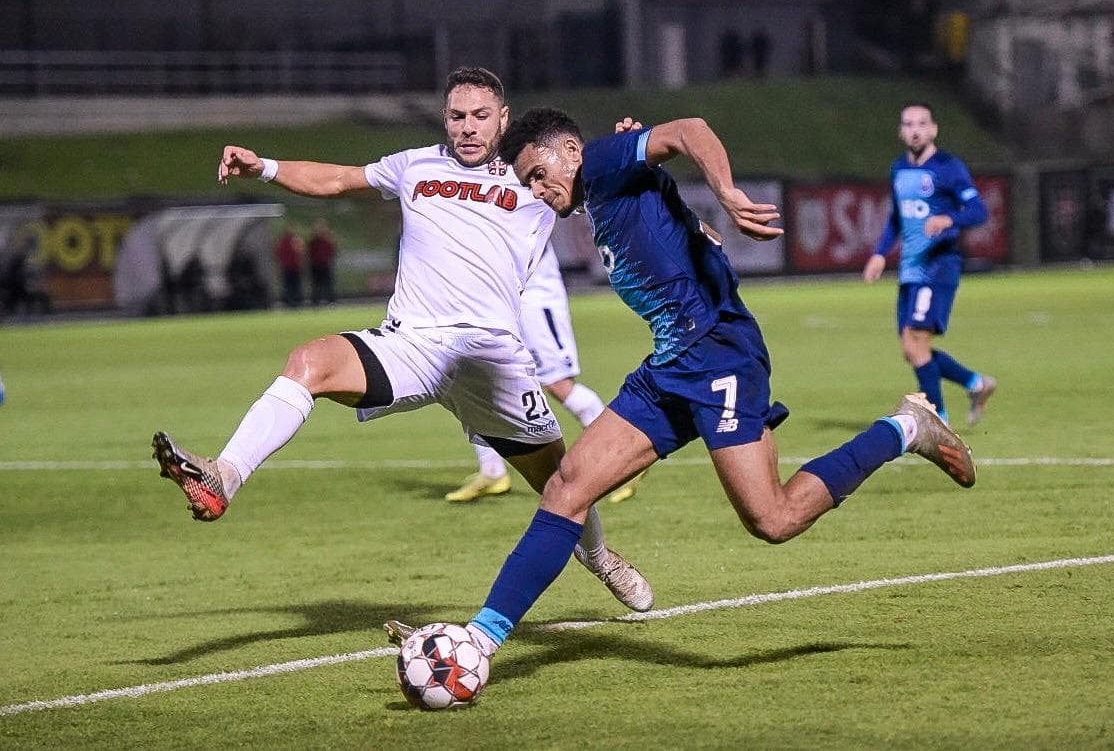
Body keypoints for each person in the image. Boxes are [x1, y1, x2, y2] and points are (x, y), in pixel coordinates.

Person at [386, 108, 977, 661]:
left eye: (539, 174)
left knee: (772, 519)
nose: (538, 190)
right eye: (528, 184)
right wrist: (683, 205)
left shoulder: (603, 161)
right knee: (567, 487)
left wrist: (726, 192)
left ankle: (905, 428)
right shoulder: (604, 189)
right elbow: (666, 213)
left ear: (570, 150)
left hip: (720, 356)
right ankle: (481, 641)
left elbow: (690, 129)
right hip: (672, 365)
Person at [151, 67, 653, 613]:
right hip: (411, 345)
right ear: (445, 118)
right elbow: (337, 179)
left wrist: (633, 153)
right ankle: (224, 477)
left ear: (503, 118)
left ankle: (601, 558)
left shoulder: (532, 173)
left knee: (563, 482)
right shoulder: (416, 164)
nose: (468, 127)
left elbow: (608, 181)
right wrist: (265, 167)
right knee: (309, 362)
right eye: (457, 116)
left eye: (481, 116)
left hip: (491, 358)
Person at [445, 220, 645, 504]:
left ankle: (625, 455)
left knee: (558, 383)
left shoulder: (525, 196)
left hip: (535, 297)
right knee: (478, 380)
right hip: (497, 299)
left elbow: (541, 224)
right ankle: (492, 471)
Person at [863, 103, 996, 426]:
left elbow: (978, 211)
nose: (915, 130)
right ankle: (976, 383)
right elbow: (896, 218)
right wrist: (880, 253)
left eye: (922, 123)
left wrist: (948, 219)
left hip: (938, 267)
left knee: (916, 343)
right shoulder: (899, 169)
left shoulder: (949, 167)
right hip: (911, 268)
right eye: (909, 124)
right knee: (911, 349)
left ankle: (939, 419)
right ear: (901, 131)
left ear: (934, 129)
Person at [307, 218, 337, 305]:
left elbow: (332, 250)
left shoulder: (328, 240)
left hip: (325, 264)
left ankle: (331, 300)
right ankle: (315, 301)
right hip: (315, 264)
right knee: (316, 284)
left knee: (328, 283)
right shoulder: (313, 240)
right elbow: (309, 252)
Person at [275, 229, 304, 308]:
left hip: (292, 267)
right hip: (289, 267)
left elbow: (300, 253)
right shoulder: (288, 242)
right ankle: (291, 300)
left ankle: (294, 300)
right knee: (290, 285)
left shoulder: (293, 242)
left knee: (293, 285)